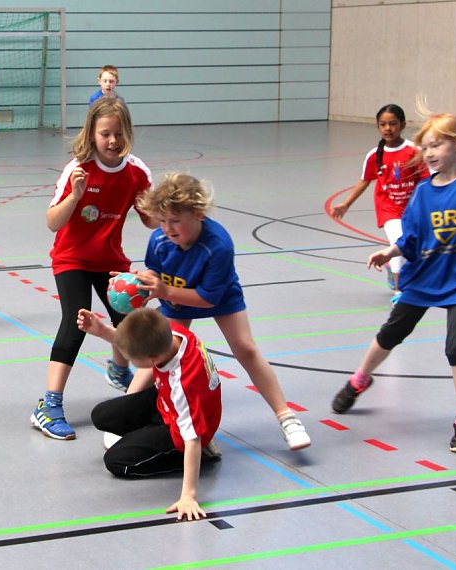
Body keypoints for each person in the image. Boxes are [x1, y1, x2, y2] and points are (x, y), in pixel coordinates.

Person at [331, 110, 456, 454]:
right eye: (425, 146)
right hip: (426, 276)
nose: (428, 153)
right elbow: (412, 237)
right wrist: (390, 251)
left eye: (436, 145)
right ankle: (360, 379)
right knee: (391, 333)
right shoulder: (424, 191)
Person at [134, 173, 311, 451]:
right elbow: (154, 269)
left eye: (176, 220)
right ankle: (126, 414)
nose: (168, 228)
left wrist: (165, 291)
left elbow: (207, 298)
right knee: (155, 352)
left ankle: (286, 417)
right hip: (176, 295)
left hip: (216, 296)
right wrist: (139, 285)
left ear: (199, 214)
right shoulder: (159, 239)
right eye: (163, 220)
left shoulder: (218, 245)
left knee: (246, 349)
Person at [30, 98, 156, 441]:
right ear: (92, 133)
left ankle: (120, 370)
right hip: (71, 258)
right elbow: (52, 222)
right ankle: (48, 405)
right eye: (105, 134)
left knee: (133, 325)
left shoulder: (136, 171)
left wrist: (155, 210)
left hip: (111, 260)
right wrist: (75, 196)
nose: (112, 141)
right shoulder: (78, 168)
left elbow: (151, 220)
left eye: (118, 133)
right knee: (76, 321)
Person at [79, 308, 221, 521]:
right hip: (164, 399)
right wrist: (102, 331)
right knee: (100, 415)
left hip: (181, 431)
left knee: (116, 462)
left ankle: (202, 453)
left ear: (153, 360)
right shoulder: (169, 332)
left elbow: (191, 439)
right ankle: (147, 436)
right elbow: (136, 339)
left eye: (133, 361)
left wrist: (188, 496)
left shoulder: (183, 383)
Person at [330, 104, 429, 300]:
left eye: (392, 124)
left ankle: (393, 269)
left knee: (412, 246)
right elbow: (365, 180)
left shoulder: (413, 152)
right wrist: (346, 204)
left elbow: (427, 181)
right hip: (388, 208)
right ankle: (400, 290)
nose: (387, 128)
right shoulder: (374, 155)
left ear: (402, 124)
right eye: (382, 124)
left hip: (412, 209)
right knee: (398, 240)